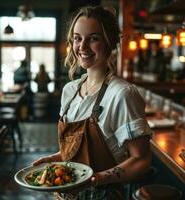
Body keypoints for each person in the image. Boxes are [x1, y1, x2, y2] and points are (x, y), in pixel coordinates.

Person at [33, 5, 152, 200]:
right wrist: (57, 158)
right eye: (78, 38)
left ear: (110, 42)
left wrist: (95, 179)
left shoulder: (122, 94)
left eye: (93, 38)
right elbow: (78, 153)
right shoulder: (70, 91)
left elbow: (141, 160)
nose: (82, 47)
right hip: (64, 195)